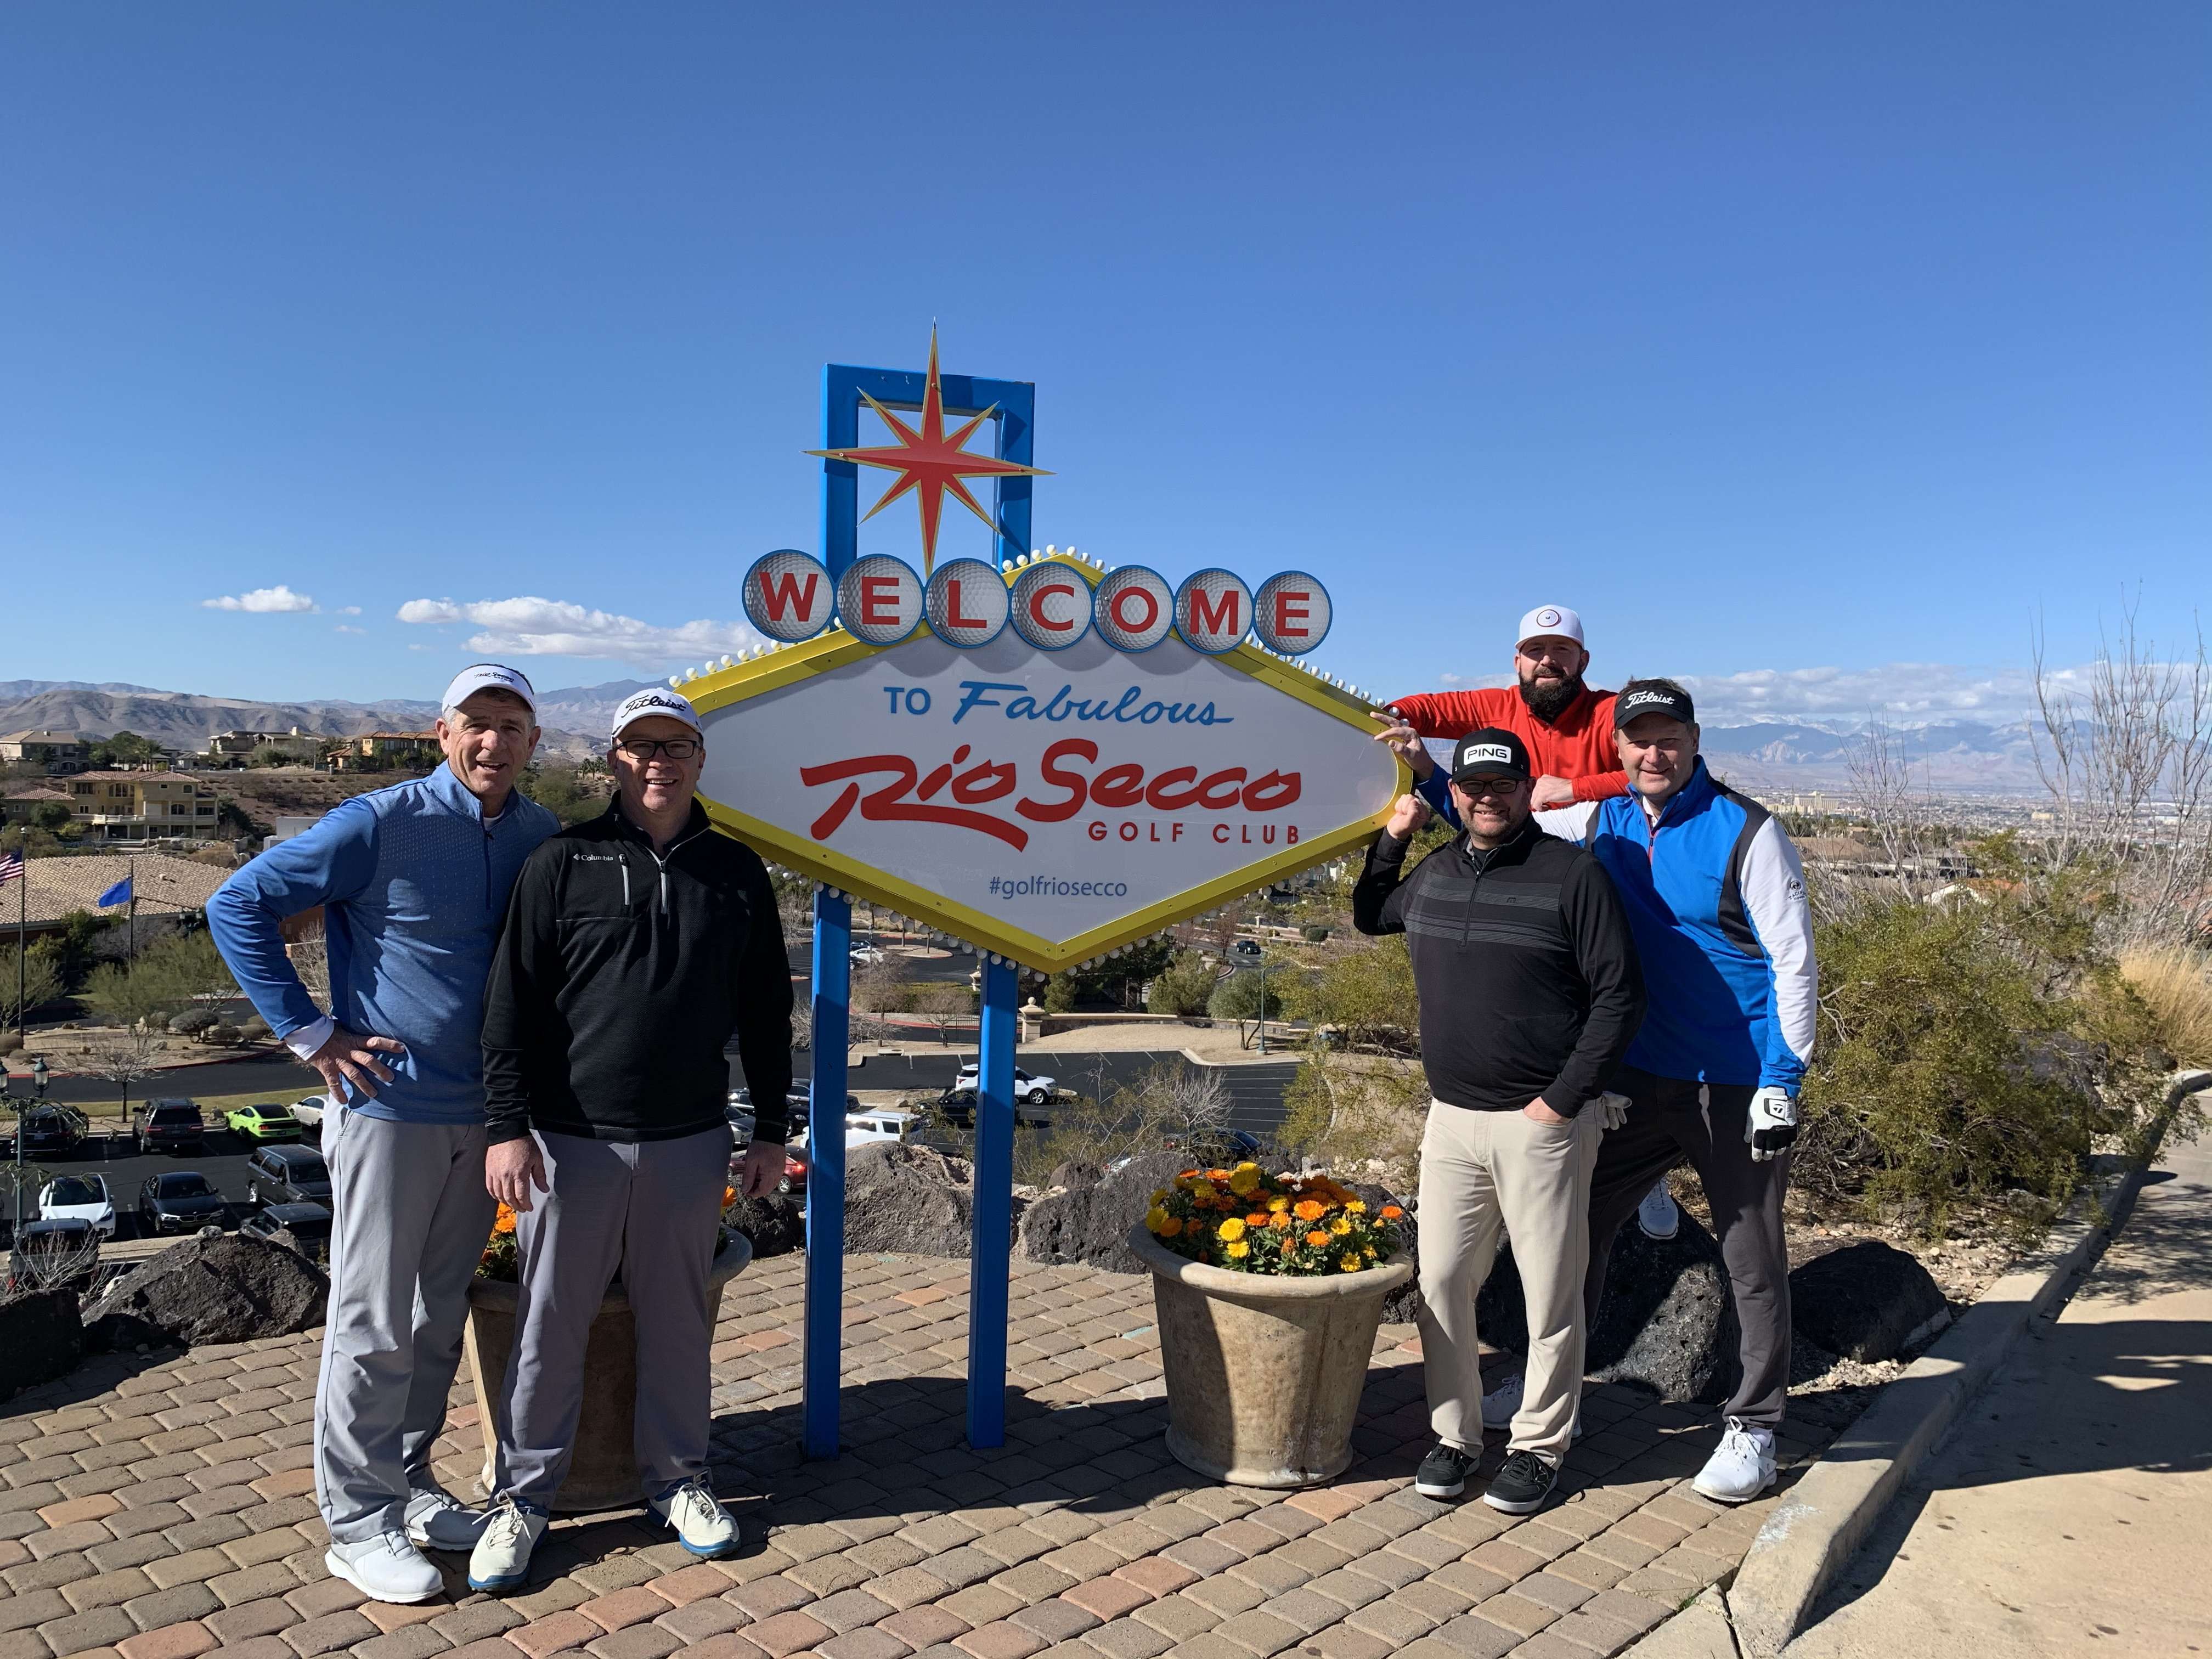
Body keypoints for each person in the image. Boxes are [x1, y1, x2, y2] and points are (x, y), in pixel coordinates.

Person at [206, 664, 559, 1604]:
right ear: (443, 732)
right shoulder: (380, 820)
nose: (493, 741)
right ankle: (355, 1522)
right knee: (368, 1322)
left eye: (512, 725)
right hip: (387, 1110)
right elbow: (237, 903)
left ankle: (406, 1485)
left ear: (533, 742)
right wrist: (311, 1031)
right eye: (476, 723)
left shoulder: (538, 834)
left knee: (434, 1316)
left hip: (484, 1118)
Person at [467, 687, 794, 1592]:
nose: (660, 760)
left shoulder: (734, 870)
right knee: (548, 1324)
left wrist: (770, 1125)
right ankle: (523, 1495)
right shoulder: (560, 861)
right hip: (570, 1140)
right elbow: (510, 1009)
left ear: (699, 757)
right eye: (642, 745)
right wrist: (507, 1126)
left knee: (679, 1322)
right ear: (613, 758)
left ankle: (679, 1481)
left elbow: (767, 1012)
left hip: (690, 1136)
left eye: (677, 744)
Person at [1505, 678, 1817, 1503]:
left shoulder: (1748, 832)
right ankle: (1547, 1393)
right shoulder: (1598, 819)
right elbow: (1493, 809)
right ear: (1619, 747)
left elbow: (1794, 962)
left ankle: (1754, 1428)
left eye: (1668, 737)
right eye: (1638, 738)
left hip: (1733, 1078)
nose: (1654, 751)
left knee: (1751, 1256)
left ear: (1693, 739)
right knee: (1569, 1233)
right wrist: (1413, 772)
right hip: (1632, 1078)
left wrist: (1784, 1080)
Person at [1353, 729, 1644, 1514]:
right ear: (1457, 795)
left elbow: (1620, 996)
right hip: (1451, 1119)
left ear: (1525, 788)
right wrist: (1390, 841)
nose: (1489, 798)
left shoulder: (1572, 875)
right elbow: (1373, 915)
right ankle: (1455, 1437)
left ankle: (1540, 1446)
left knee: (1551, 1294)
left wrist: (1563, 1099)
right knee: (1443, 1280)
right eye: (1474, 787)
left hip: (1540, 1123)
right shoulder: (1438, 873)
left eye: (1504, 784)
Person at [1371, 604, 1630, 814]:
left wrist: (1575, 788)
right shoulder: (1501, 706)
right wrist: (1376, 722)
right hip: (1522, 850)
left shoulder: (1612, 711)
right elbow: (1427, 709)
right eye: (1535, 650)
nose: (1547, 660)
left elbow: (1662, 773)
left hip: (1599, 852)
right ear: (1518, 662)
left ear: (1583, 661)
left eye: (1562, 649)